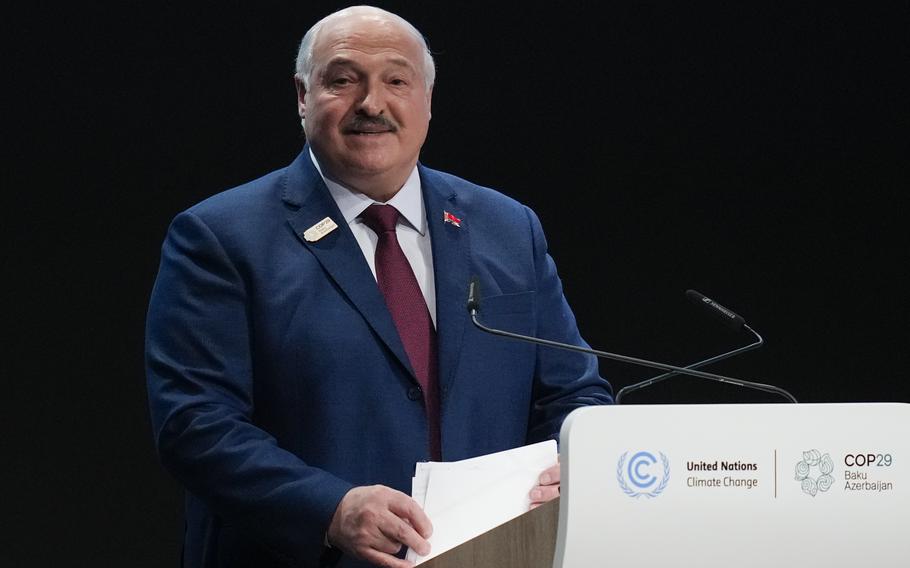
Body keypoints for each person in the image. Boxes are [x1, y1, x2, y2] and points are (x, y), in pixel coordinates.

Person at [145, 5, 613, 568]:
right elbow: (194, 424)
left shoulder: (509, 228)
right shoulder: (220, 237)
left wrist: (575, 460)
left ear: (428, 101)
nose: (372, 103)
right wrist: (330, 509)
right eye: (343, 80)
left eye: (396, 80)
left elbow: (573, 394)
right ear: (302, 96)